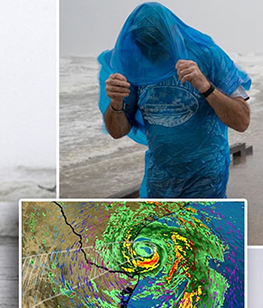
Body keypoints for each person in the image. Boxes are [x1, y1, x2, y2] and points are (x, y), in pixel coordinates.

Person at [99, 2, 251, 198]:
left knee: (201, 228)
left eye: (158, 44)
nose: (152, 53)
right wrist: (116, 103)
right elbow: (117, 131)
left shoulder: (208, 55)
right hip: (161, 181)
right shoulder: (133, 65)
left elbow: (242, 121)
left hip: (206, 178)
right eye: (145, 46)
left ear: (172, 32)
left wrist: (205, 86)